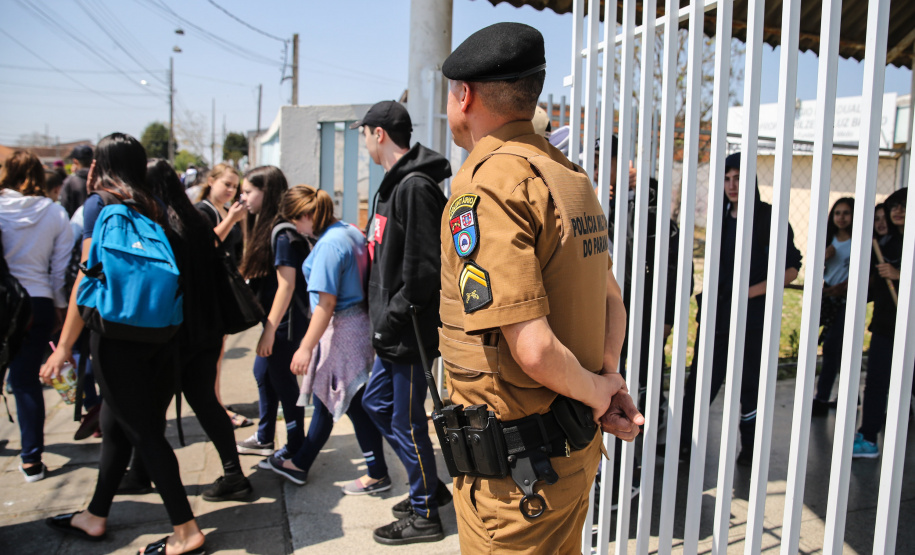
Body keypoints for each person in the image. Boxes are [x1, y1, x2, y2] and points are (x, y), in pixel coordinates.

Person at [438, 23, 643, 553]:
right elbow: (612, 300)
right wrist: (607, 378)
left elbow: (533, 349)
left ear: (464, 96)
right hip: (569, 455)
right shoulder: (568, 176)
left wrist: (599, 391)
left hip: (517, 484)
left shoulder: (488, 186)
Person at [40, 133, 206, 555]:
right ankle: (95, 514)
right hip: (161, 332)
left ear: (100, 164)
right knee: (116, 425)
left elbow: (86, 278)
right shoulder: (156, 204)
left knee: (145, 433)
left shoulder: (101, 204)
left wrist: (64, 346)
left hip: (116, 336)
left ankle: (186, 530)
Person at [116, 160, 254, 502]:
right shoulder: (195, 220)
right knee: (203, 402)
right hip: (206, 328)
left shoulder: (160, 225)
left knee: (152, 408)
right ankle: (233, 475)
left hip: (174, 333)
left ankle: (141, 474)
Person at [351, 100, 453, 545]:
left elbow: (423, 274)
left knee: (408, 423)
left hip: (407, 332)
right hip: (392, 332)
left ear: (379, 134)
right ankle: (427, 485)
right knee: (376, 405)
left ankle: (425, 513)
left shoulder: (414, 187)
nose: (364, 143)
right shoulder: (393, 186)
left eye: (364, 135)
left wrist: (387, 322)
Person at [264, 185, 389, 494]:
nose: (296, 228)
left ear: (306, 215)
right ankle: (305, 464)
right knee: (344, 399)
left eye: (296, 220)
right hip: (358, 323)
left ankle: (374, 473)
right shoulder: (349, 230)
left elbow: (326, 303)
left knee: (345, 399)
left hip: (342, 329)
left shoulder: (329, 245)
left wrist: (305, 347)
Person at [680, 151, 802, 466]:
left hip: (752, 319)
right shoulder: (720, 218)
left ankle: (750, 448)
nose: (732, 185)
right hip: (718, 316)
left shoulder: (768, 218)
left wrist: (750, 293)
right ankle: (683, 445)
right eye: (727, 179)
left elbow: (791, 269)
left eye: (738, 178)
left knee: (749, 385)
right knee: (700, 382)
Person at [0, 150, 73, 482]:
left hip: (4, 300)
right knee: (26, 381)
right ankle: (31, 460)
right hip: (38, 300)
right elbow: (60, 268)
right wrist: (59, 307)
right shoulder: (55, 212)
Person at [235, 166, 308, 465]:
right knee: (262, 373)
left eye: (248, 192)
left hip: (285, 325)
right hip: (279, 323)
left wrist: (269, 330)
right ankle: (265, 436)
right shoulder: (270, 228)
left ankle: (295, 447)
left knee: (284, 383)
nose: (243, 198)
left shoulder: (282, 233)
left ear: (266, 193)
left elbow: (286, 286)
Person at [193, 163, 250, 429]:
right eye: (226, 184)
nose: (231, 190)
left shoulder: (227, 211)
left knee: (218, 351)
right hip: (209, 291)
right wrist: (232, 220)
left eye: (234, 187)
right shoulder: (202, 211)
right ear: (211, 181)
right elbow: (207, 243)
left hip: (223, 289)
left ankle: (217, 403)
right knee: (211, 354)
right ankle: (215, 406)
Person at [854, 188, 908, 458]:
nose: (898, 211)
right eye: (894, 206)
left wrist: (901, 275)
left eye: (904, 206)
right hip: (886, 325)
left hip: (909, 328)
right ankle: (868, 438)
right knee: (876, 381)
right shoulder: (885, 245)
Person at [812, 197, 854, 415]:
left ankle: (822, 397)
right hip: (827, 298)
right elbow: (816, 269)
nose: (841, 217)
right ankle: (850, 395)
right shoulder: (829, 240)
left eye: (846, 213)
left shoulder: (858, 241)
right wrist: (823, 257)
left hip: (845, 301)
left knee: (833, 347)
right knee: (832, 346)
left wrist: (844, 287)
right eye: (837, 213)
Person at [58, 145, 92, 217]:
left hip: (74, 221)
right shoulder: (100, 180)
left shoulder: (70, 181)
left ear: (75, 161)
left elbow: (63, 206)